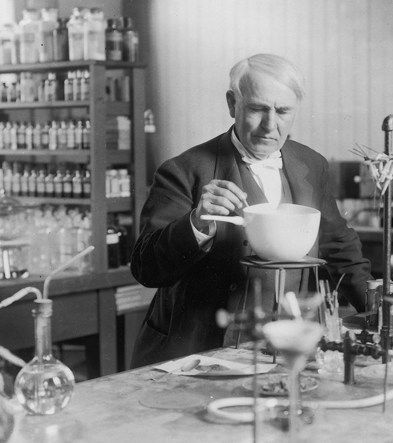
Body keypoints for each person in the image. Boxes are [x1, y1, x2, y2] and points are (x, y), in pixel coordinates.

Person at [130, 54, 373, 368]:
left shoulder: (311, 164)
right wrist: (197, 224)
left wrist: (378, 308)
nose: (270, 125)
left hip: (288, 347)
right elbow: (145, 268)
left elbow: (340, 246)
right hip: (199, 352)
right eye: (258, 108)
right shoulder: (183, 170)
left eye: (283, 111)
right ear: (233, 104)